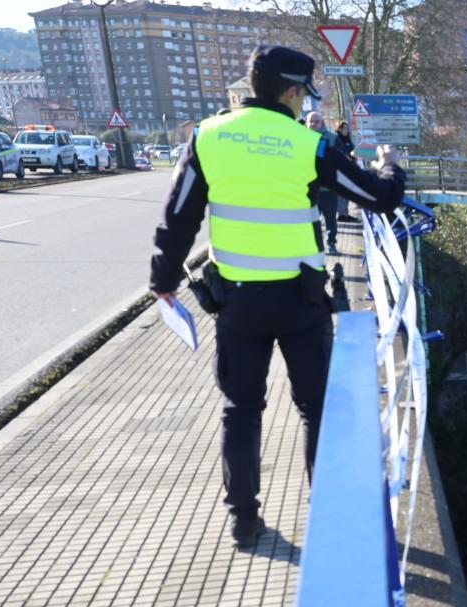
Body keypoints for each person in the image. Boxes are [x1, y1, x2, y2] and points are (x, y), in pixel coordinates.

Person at [149, 44, 407, 549]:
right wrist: (390, 164)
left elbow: (178, 216)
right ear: (293, 92)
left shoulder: (208, 135)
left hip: (237, 302)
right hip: (300, 301)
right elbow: (378, 197)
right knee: (316, 408)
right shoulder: (305, 144)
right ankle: (328, 514)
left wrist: (163, 280)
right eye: (303, 92)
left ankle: (244, 521)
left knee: (240, 409)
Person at [304, 111, 340, 254]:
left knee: (330, 218)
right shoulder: (298, 138)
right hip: (306, 188)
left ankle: (331, 243)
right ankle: (311, 246)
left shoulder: (332, 138)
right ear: (306, 122)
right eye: (311, 121)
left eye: (317, 121)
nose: (313, 124)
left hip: (328, 188)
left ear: (322, 123)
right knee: (310, 220)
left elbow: (340, 160)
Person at [334, 120, 356, 221]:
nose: (346, 130)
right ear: (340, 128)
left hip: (349, 169)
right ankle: (341, 214)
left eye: (347, 128)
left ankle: (345, 213)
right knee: (342, 193)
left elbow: (351, 150)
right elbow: (339, 152)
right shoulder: (337, 139)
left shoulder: (347, 139)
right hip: (341, 170)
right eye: (344, 128)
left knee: (347, 192)